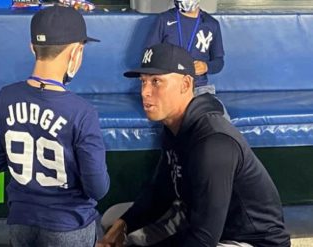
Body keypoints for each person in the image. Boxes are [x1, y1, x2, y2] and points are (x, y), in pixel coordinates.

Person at [97, 43, 290, 247]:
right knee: (113, 219)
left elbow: (204, 239)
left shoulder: (214, 142)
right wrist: (123, 225)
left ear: (186, 85)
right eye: (143, 81)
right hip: (200, 219)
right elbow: (160, 192)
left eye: (156, 81)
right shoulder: (173, 127)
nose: (145, 92)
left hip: (250, 240)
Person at [0, 5, 110, 247]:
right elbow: (98, 188)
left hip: (21, 223)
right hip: (69, 226)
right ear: (76, 52)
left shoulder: (5, 97)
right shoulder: (82, 112)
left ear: (32, 47)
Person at [145, 0, 224, 96]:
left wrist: (206, 66)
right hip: (168, 86)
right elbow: (149, 55)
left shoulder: (211, 24)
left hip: (198, 87)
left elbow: (219, 61)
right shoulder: (164, 19)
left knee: (215, 110)